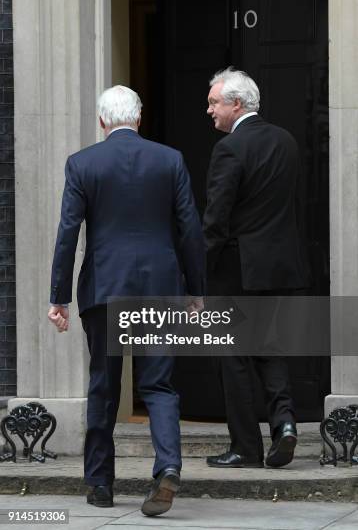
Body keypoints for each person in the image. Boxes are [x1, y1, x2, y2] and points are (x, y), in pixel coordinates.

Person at [48, 85, 205, 514]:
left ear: (102, 122)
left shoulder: (82, 163)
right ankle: (167, 467)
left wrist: (58, 296)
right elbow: (189, 228)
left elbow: (67, 233)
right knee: (158, 384)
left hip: (105, 287)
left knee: (104, 384)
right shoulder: (169, 160)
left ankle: (100, 484)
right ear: (139, 117)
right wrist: (195, 289)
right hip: (160, 285)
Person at [203, 68, 310, 469]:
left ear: (237, 104)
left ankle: (245, 447)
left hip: (237, 269)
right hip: (279, 267)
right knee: (271, 349)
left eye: (215, 102)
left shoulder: (230, 149)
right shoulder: (286, 141)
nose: (209, 109)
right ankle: (284, 425)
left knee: (233, 358)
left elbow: (216, 218)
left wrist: (201, 271)